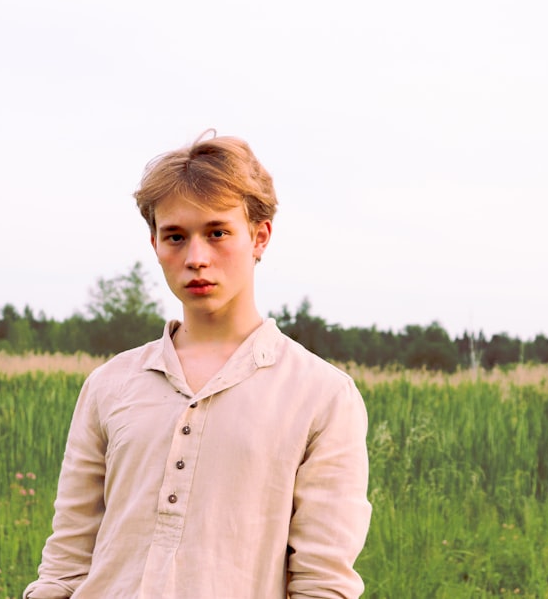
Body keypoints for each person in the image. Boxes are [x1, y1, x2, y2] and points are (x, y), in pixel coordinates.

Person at [23, 132, 371, 599]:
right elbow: (66, 561)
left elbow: (323, 583)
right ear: (155, 244)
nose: (196, 258)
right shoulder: (110, 385)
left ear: (259, 236)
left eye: (218, 232)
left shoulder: (322, 394)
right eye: (175, 237)